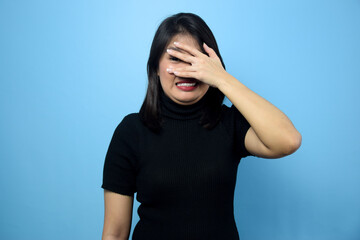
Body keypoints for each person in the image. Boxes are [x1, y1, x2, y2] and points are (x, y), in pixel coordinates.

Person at [101, 12, 301, 240]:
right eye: (175, 58)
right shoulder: (131, 131)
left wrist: (222, 79)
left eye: (196, 60)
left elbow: (288, 140)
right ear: (156, 67)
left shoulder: (229, 123)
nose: (186, 70)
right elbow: (115, 233)